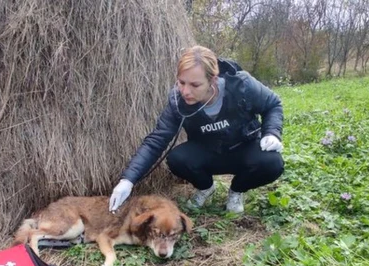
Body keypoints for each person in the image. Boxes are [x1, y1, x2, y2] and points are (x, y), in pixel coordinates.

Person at [108, 45, 285, 214]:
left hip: (243, 148)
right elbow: (157, 140)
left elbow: (273, 104)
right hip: (208, 152)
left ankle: (237, 191)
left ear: (213, 80)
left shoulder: (242, 85)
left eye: (195, 85)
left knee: (272, 163)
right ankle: (205, 188)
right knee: (177, 159)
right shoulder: (178, 102)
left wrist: (272, 132)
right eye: (181, 82)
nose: (185, 91)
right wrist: (128, 180)